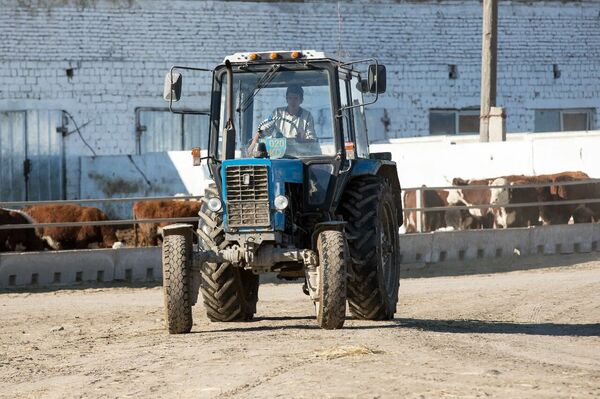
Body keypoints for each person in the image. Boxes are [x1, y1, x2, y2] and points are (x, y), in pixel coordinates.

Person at [248, 84, 316, 153]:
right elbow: (264, 129)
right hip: (278, 153)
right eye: (290, 98)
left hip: (300, 155)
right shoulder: (277, 113)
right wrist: (254, 142)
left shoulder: (307, 116)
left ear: (301, 100)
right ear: (286, 99)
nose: (293, 102)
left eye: (296, 98)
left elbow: (313, 140)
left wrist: (301, 140)